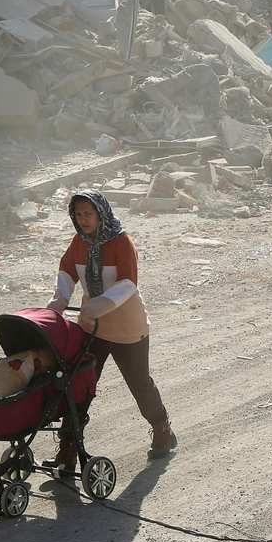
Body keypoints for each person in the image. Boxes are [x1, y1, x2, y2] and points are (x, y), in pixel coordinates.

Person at [45, 190, 176, 472]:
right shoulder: (79, 242)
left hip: (127, 327)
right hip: (92, 327)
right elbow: (68, 271)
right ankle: (68, 450)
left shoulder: (121, 242)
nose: (83, 220)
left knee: (139, 383)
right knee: (78, 388)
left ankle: (162, 428)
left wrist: (98, 306)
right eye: (78, 215)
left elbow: (129, 283)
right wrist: (59, 302)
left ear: (101, 213)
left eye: (88, 214)